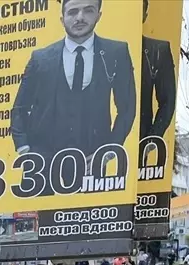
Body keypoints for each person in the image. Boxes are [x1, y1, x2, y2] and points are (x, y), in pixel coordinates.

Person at [11, 0, 136, 171]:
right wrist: (24, 149)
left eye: (88, 11)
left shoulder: (116, 52)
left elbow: (127, 107)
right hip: (42, 166)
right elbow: (19, 108)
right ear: (62, 19)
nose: (80, 18)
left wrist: (110, 149)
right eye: (72, 12)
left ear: (99, 15)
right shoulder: (40, 58)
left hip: (93, 163)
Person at [140, 0, 176, 141]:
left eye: (138, 11)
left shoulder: (157, 51)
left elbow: (168, 101)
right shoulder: (97, 48)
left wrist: (150, 140)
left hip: (138, 145)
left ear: (145, 15)